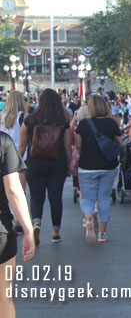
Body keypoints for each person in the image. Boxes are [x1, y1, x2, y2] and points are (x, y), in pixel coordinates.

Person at [18, 89, 71, 244]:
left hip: (35, 164)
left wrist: (15, 164)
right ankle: (56, 232)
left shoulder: (29, 120)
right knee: (56, 197)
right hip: (57, 164)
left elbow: (22, 146)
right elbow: (67, 146)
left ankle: (36, 223)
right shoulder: (62, 120)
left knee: (36, 197)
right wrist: (68, 164)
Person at [75, 95, 123, 243]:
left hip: (87, 166)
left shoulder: (83, 124)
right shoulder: (112, 123)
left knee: (88, 197)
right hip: (108, 166)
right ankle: (102, 233)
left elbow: (78, 145)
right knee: (103, 198)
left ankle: (89, 219)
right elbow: (120, 143)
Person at [0, 131, 36, 318]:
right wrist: (28, 229)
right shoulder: (3, 141)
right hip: (1, 231)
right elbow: (13, 190)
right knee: (4, 297)